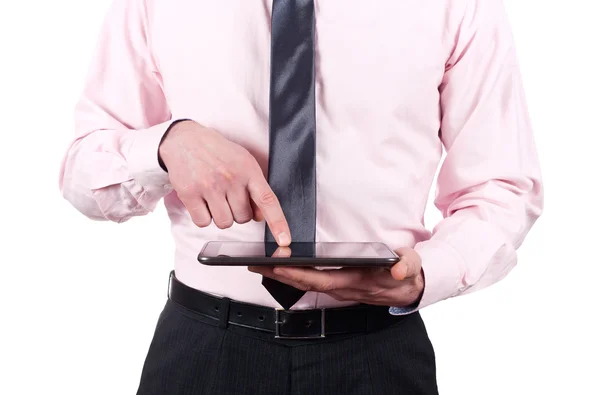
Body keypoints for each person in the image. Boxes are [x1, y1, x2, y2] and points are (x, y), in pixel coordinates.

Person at [59, 0, 543, 394]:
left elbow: (502, 186)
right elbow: (83, 171)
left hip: (377, 356)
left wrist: (425, 276)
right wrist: (166, 145)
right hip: (204, 351)